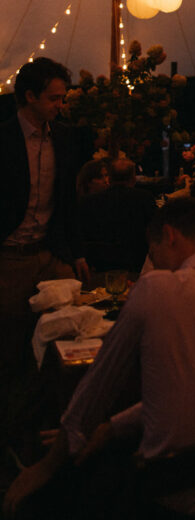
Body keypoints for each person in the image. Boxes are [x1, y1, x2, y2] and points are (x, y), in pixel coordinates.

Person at [3, 198, 195, 518]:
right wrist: (110, 428)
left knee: (77, 481)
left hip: (169, 498)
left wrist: (44, 468)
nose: (154, 261)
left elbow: (94, 391)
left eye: (153, 250)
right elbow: (191, 392)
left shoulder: (156, 289)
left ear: (170, 235)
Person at [0, 58, 89, 449]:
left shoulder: (65, 137)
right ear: (29, 96)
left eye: (63, 98)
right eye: (54, 98)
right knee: (11, 351)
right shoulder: (2, 139)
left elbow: (68, 202)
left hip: (50, 255)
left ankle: (49, 429)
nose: (60, 105)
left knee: (65, 341)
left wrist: (75, 253)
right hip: (10, 257)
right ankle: (11, 438)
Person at [78, 157, 156, 272]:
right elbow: (153, 229)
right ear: (133, 178)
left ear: (111, 178)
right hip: (136, 260)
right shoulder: (144, 198)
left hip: (99, 262)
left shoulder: (88, 201)